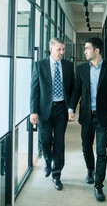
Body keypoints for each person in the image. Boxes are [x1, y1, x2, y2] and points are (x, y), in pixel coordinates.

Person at [68, 37, 107, 201]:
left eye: (87, 48)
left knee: (101, 152)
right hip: (86, 116)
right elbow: (76, 90)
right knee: (86, 147)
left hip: (103, 117)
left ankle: (98, 186)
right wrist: (71, 108)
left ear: (97, 51)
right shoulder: (82, 69)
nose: (84, 51)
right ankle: (90, 170)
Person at [30, 38, 74, 191]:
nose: (62, 53)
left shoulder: (68, 66)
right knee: (45, 140)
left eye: (63, 50)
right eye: (59, 50)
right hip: (44, 110)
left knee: (60, 142)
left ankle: (57, 174)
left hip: (62, 109)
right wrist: (33, 111)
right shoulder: (40, 65)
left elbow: (72, 89)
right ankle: (48, 161)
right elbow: (34, 90)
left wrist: (71, 109)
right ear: (51, 49)